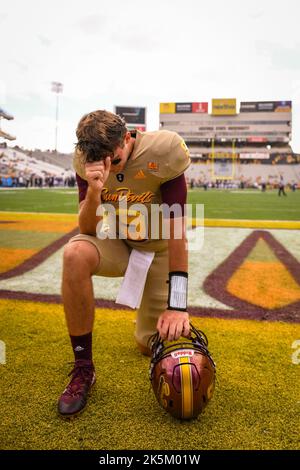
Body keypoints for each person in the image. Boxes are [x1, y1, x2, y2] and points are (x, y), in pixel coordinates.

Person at [58, 110, 191, 417]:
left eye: (113, 160)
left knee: (149, 345)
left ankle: (148, 317)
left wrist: (178, 305)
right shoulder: (85, 161)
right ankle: (83, 368)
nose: (106, 166)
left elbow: (177, 234)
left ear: (128, 138)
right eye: (97, 160)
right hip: (117, 241)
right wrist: (94, 190)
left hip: (158, 247)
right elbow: (88, 230)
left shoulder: (162, 151)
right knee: (74, 254)